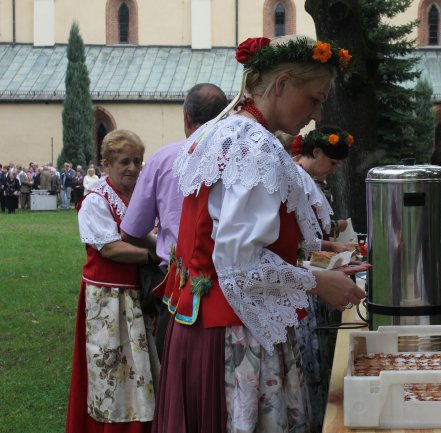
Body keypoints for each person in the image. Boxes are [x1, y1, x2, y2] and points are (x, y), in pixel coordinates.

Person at [153, 35, 368, 433]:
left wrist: (312, 262)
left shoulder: (221, 132)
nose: (316, 113)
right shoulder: (254, 146)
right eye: (315, 99)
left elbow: (229, 240)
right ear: (282, 84)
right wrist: (317, 282)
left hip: (203, 327)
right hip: (235, 335)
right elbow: (238, 262)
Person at [121, 82, 229, 360]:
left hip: (177, 283)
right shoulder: (241, 158)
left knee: (173, 369)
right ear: (226, 116)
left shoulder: (163, 159)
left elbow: (132, 231)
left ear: (186, 119)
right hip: (231, 285)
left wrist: (163, 244)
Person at [66, 129, 160, 433]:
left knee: (142, 370)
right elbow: (109, 248)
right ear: (107, 164)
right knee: (112, 373)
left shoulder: (141, 197)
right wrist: (153, 256)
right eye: (124, 161)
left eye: (137, 161)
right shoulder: (96, 200)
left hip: (140, 297)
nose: (132, 168)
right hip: (107, 300)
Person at [290, 125, 355, 431]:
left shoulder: (310, 181)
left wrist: (333, 247)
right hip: (300, 279)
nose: (332, 171)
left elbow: (312, 238)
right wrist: (329, 252)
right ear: (315, 153)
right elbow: (300, 243)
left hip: (310, 273)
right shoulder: (297, 180)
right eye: (331, 163)